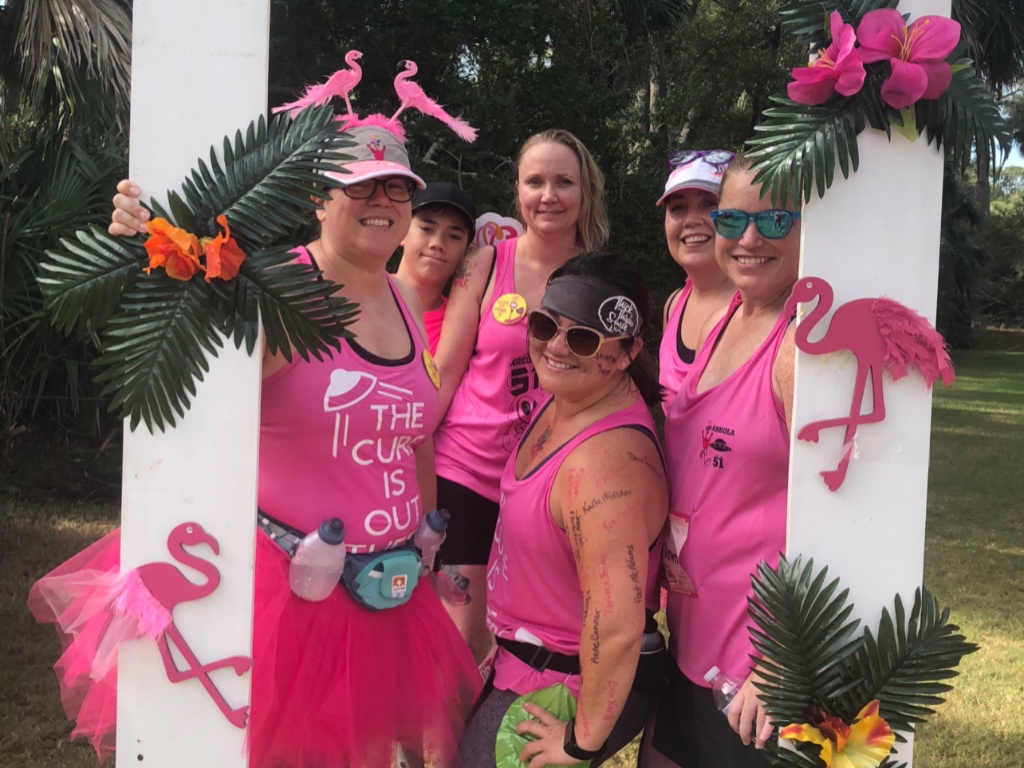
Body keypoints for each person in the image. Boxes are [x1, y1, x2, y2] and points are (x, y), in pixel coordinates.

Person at [32, 124, 482, 768]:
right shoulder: (271, 291)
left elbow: (414, 440)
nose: (381, 200)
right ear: (317, 198)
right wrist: (141, 242)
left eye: (396, 187)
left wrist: (426, 551)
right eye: (360, 185)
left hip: (390, 589)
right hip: (292, 598)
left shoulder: (406, 297)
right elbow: (172, 352)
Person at [457, 252, 669, 767]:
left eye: (583, 339)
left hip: (559, 686)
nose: (555, 346)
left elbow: (616, 626)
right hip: (526, 664)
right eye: (545, 325)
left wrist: (579, 743)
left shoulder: (604, 467)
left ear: (626, 352)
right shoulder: (567, 400)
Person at [641, 155, 800, 768]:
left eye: (776, 219)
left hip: (753, 669)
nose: (749, 238)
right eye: (732, 219)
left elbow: (847, 521)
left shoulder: (800, 345)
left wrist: (782, 659)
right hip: (692, 640)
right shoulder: (727, 314)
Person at [431, 129, 610, 664]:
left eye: (563, 182)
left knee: (527, 639)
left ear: (585, 192)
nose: (548, 195)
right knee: (463, 638)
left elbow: (609, 385)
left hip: (547, 486)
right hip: (466, 473)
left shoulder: (601, 278)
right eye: (535, 182)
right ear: (518, 190)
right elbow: (446, 368)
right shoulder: (484, 263)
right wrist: (403, 448)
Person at [656, 149, 736, 412]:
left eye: (709, 204)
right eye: (678, 208)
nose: (691, 220)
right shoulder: (673, 305)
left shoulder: (760, 308)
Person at [395, 182, 478, 354]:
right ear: (402, 231)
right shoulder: (360, 292)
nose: (437, 244)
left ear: (467, 253)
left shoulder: (459, 329)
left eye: (453, 236)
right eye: (427, 229)